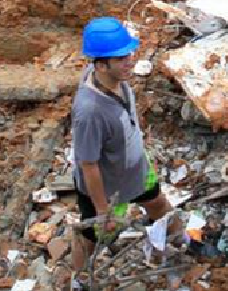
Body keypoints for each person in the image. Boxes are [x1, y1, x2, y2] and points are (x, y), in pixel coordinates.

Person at [70, 17, 173, 289]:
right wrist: (103, 210)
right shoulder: (90, 112)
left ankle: (177, 240)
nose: (130, 61)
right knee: (93, 236)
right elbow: (89, 164)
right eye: (121, 58)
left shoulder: (117, 80)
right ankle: (78, 279)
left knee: (158, 204)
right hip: (108, 186)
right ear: (101, 65)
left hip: (136, 168)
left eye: (129, 54)